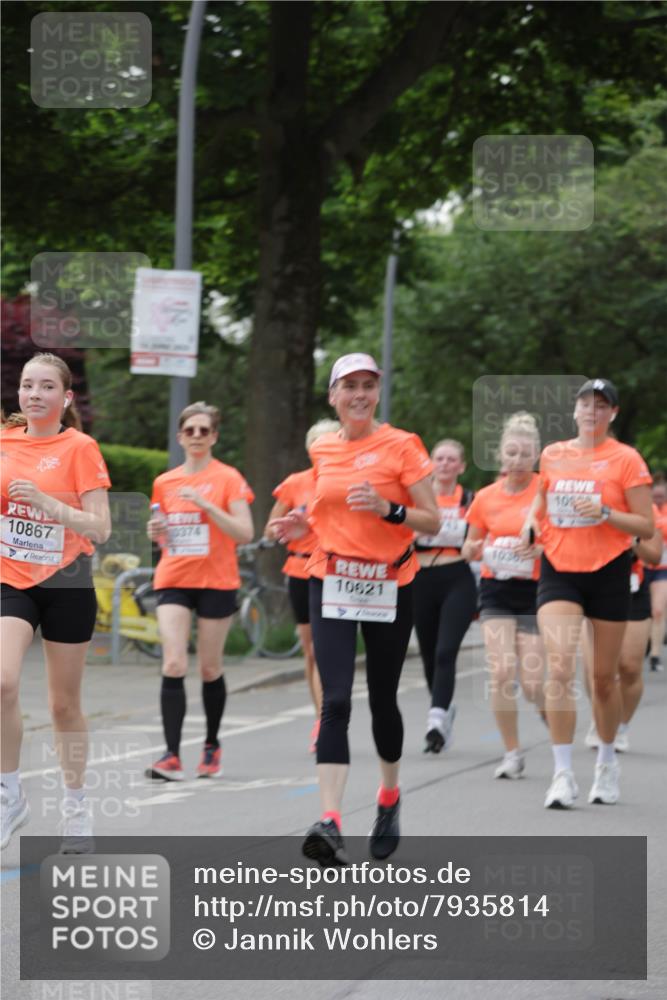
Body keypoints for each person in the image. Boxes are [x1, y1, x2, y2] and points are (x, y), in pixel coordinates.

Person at [270, 353, 439, 866]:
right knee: (336, 699)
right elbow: (328, 514)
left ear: (377, 392)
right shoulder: (323, 449)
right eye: (349, 386)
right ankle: (331, 821)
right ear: (333, 396)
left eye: (368, 385)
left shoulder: (403, 445)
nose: (359, 394)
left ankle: (389, 796)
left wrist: (390, 510)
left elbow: (432, 520)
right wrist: (301, 528)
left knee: (383, 700)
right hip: (332, 578)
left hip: (390, 581)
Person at [521, 379, 653, 808]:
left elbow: (646, 526)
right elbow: (540, 502)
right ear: (574, 410)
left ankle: (607, 762)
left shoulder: (626, 459)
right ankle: (562, 775)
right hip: (559, 570)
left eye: (601, 406)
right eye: (585, 404)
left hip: (609, 571)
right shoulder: (554, 454)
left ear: (612, 414)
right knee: (559, 669)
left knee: (602, 680)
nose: (591, 411)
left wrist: (606, 512)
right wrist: (530, 524)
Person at [1, 353, 111, 852]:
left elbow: (101, 527)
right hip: (11, 578)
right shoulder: (4, 442)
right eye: (28, 385)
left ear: (65, 398)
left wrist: (48, 504)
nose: (35, 394)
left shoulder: (80, 448)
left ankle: (76, 807)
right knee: (2, 681)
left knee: (63, 705)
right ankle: (9, 795)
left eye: (47, 386)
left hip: (67, 580)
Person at [146, 402, 254, 781]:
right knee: (174, 663)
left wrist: (208, 505)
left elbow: (245, 533)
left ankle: (211, 745)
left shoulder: (228, 478)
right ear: (180, 437)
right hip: (174, 577)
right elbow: (163, 532)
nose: (196, 436)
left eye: (203, 430)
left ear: (214, 437)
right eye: (189, 430)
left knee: (209, 667)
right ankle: (171, 755)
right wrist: (156, 532)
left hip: (216, 581)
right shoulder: (165, 481)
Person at [463, 413, 546, 779]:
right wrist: (472, 549)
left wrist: (540, 550)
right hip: (496, 589)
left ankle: (547, 712)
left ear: (536, 456)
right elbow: (469, 545)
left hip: (535, 590)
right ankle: (512, 753)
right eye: (511, 453)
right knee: (500, 673)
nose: (517, 460)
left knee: (531, 684)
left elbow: (561, 538)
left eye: (525, 454)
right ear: (500, 455)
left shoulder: (545, 490)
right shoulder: (485, 497)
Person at [265, 419, 340, 753]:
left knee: (328, 650)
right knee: (312, 651)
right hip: (300, 568)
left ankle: (330, 718)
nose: (323, 451)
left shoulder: (348, 480)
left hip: (337, 569)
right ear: (310, 450)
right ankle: (322, 717)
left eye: (330, 443)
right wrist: (286, 525)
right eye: (318, 445)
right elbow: (270, 529)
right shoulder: (296, 483)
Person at [412, 439, 477, 752]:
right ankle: (443, 710)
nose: (445, 464)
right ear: (430, 464)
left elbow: (481, 535)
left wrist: (472, 545)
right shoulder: (417, 498)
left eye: (452, 459)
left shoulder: (470, 500)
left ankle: (435, 720)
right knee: (428, 653)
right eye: (439, 458)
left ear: (461, 466)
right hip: (420, 577)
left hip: (457, 578)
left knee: (445, 651)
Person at [581, 526, 663, 751]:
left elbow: (654, 557)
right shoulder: (588, 510)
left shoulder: (641, 516)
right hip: (593, 589)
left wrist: (632, 539)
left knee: (630, 668)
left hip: (631, 589)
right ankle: (600, 718)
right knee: (597, 669)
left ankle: (621, 726)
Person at [645, 476, 667, 671]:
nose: (658, 500)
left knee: (658, 610)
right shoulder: (645, 509)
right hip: (643, 567)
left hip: (663, 569)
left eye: (662, 496)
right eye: (655, 496)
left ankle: (655, 654)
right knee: (643, 611)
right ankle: (644, 642)